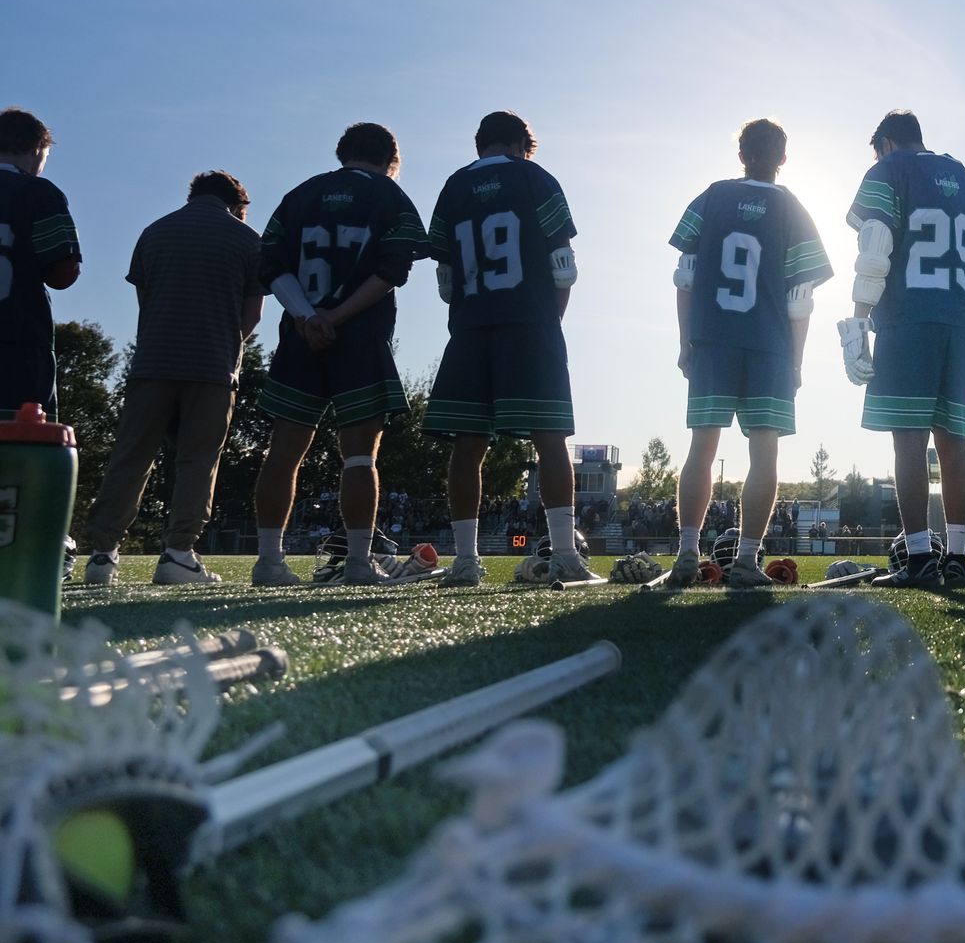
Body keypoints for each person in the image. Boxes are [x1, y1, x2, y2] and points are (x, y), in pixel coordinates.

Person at [653, 119, 833, 589]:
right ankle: (747, 561)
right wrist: (796, 360)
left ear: (741, 155)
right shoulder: (792, 207)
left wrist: (684, 340)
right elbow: (800, 300)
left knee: (702, 447)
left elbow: (685, 277)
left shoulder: (711, 197)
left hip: (713, 338)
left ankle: (688, 553)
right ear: (783, 159)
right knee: (764, 454)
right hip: (768, 345)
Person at [249, 122, 429, 586]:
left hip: (300, 335)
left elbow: (270, 265)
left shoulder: (300, 195)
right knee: (359, 457)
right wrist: (339, 316)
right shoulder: (389, 196)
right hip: (361, 337)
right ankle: (356, 561)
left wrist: (309, 317)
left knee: (282, 454)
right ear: (393, 161)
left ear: (341, 152)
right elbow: (394, 269)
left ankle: (269, 562)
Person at [837, 109, 965, 587]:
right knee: (955, 447)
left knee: (908, 446)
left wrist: (859, 317)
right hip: (962, 322)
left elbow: (875, 247)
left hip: (910, 319)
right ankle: (956, 559)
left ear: (886, 144)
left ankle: (919, 560)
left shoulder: (888, 170)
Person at [422, 110, 589, 586]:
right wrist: (548, 323)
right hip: (530, 325)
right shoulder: (536, 178)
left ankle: (466, 562)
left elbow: (446, 281)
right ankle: (565, 557)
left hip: (472, 328)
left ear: (480, 144)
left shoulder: (453, 186)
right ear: (521, 143)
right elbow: (563, 268)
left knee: (467, 444)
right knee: (550, 438)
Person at [83, 171, 263, 584]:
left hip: (153, 362)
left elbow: (146, 303)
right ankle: (179, 552)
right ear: (238, 205)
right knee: (198, 460)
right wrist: (228, 345)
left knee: (131, 456)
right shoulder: (247, 240)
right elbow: (250, 316)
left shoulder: (154, 232)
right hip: (212, 366)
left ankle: (103, 554)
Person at [0, 108, 82, 421]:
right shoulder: (40, 193)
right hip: (18, 343)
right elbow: (62, 272)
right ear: (37, 149)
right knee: (22, 446)